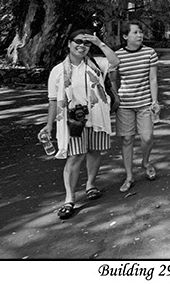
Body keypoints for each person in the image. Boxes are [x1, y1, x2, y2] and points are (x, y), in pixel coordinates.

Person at [42, 29, 120, 219]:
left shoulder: (96, 63)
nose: (82, 46)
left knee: (94, 151)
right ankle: (69, 199)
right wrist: (48, 125)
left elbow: (116, 62)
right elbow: (53, 100)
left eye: (86, 43)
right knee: (75, 156)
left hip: (97, 117)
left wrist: (99, 42)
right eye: (78, 41)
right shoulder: (58, 71)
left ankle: (90, 185)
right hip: (73, 120)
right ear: (69, 43)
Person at [115, 21, 160, 192]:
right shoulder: (117, 55)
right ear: (125, 36)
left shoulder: (149, 53)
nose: (140, 35)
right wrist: (116, 99)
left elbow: (153, 79)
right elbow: (113, 79)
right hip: (125, 104)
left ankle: (145, 161)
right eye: (135, 32)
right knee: (127, 139)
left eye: (141, 32)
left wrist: (154, 101)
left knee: (147, 137)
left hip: (144, 102)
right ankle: (129, 176)